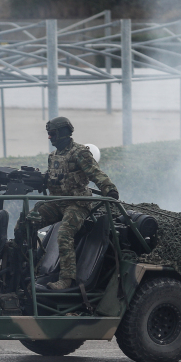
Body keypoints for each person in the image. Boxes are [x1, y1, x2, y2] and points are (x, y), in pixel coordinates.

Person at [15, 116, 119, 291]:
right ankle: (25, 268)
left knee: (64, 234)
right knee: (26, 223)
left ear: (63, 133)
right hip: (58, 202)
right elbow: (52, 179)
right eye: (48, 134)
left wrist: (109, 189)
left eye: (52, 134)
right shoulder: (53, 156)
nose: (50, 138)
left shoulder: (80, 153)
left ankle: (66, 279)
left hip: (78, 203)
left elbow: (96, 173)